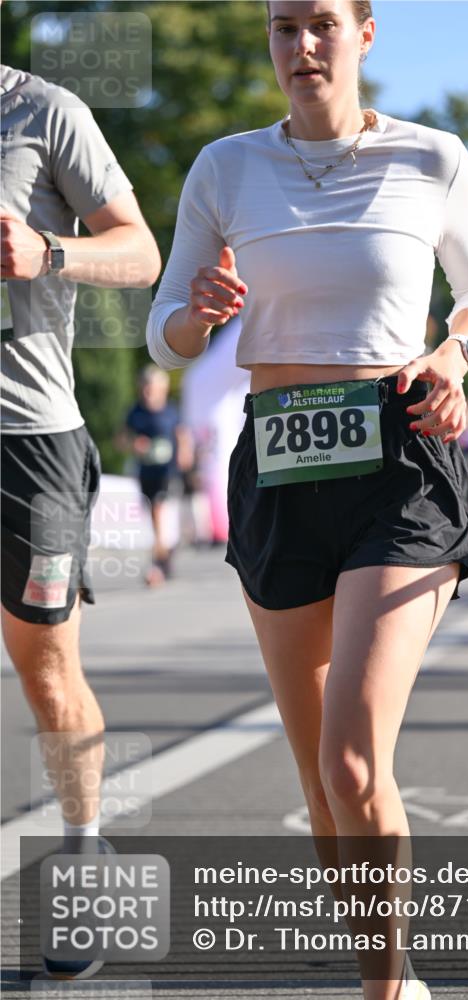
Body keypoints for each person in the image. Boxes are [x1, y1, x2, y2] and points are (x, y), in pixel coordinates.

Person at [146, 3, 468, 997]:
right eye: (281, 27)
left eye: (321, 25)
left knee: (352, 761)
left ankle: (387, 992)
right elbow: (164, 330)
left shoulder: (430, 156)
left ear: (365, 33)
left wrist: (454, 352)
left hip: (397, 461)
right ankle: (383, 973)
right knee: (318, 780)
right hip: (278, 466)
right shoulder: (224, 166)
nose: (301, 46)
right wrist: (195, 317)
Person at [1, 65, 160, 978]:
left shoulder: (43, 111)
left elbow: (140, 253)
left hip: (29, 443)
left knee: (48, 671)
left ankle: (83, 852)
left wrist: (47, 253)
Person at [119, 365, 192, 585]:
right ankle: (165, 555)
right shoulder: (135, 412)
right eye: (145, 387)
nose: (148, 392)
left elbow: (182, 434)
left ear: (163, 389)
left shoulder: (170, 411)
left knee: (160, 511)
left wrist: (185, 453)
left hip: (168, 472)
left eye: (152, 388)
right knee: (154, 517)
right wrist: (134, 444)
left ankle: (157, 565)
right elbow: (121, 440)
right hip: (146, 472)